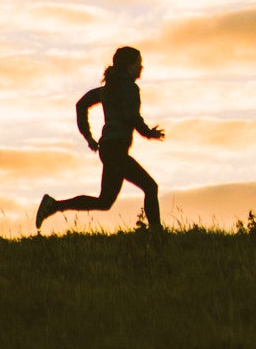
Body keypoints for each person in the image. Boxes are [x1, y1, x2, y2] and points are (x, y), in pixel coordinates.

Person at [36, 45, 164, 233]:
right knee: (150, 187)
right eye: (138, 64)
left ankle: (53, 205)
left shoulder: (108, 89)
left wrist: (88, 136)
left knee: (104, 202)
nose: (141, 68)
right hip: (116, 150)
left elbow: (81, 104)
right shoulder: (129, 88)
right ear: (129, 66)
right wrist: (147, 132)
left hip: (109, 149)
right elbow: (130, 115)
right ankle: (156, 232)